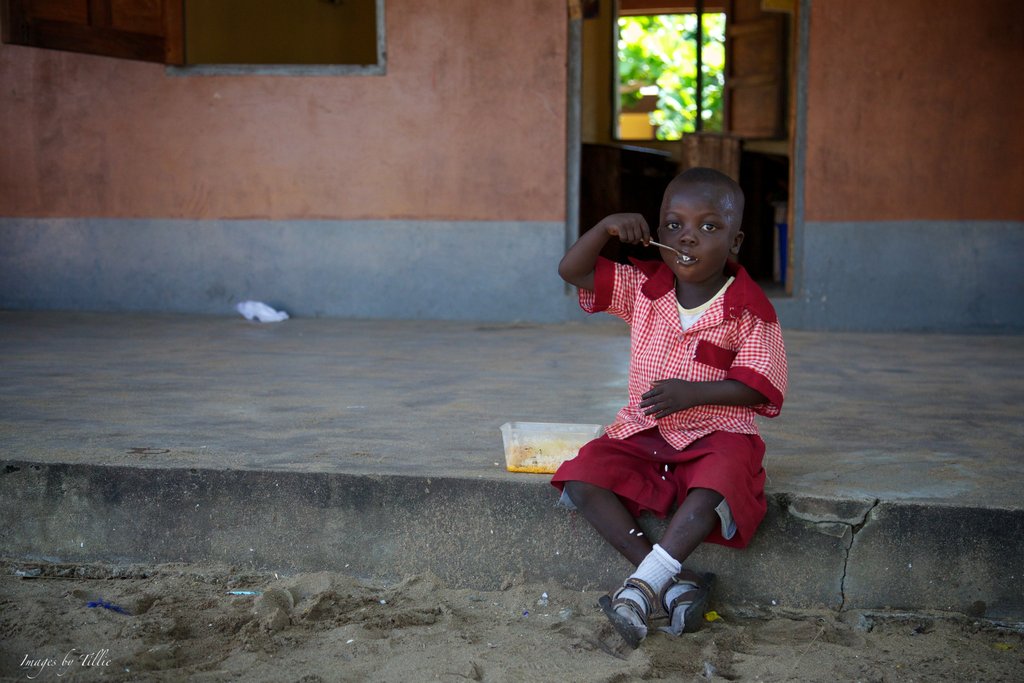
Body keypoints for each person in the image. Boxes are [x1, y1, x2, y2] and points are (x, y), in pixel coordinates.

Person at [552, 167, 787, 648]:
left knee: (719, 481)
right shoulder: (644, 286)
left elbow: (759, 385)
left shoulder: (749, 308)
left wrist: (694, 393)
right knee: (582, 476)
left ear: (735, 240)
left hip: (716, 434)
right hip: (645, 432)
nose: (688, 237)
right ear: (657, 233)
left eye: (708, 226)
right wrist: (604, 229)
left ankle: (640, 589)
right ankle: (674, 582)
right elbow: (572, 271)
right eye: (674, 225)